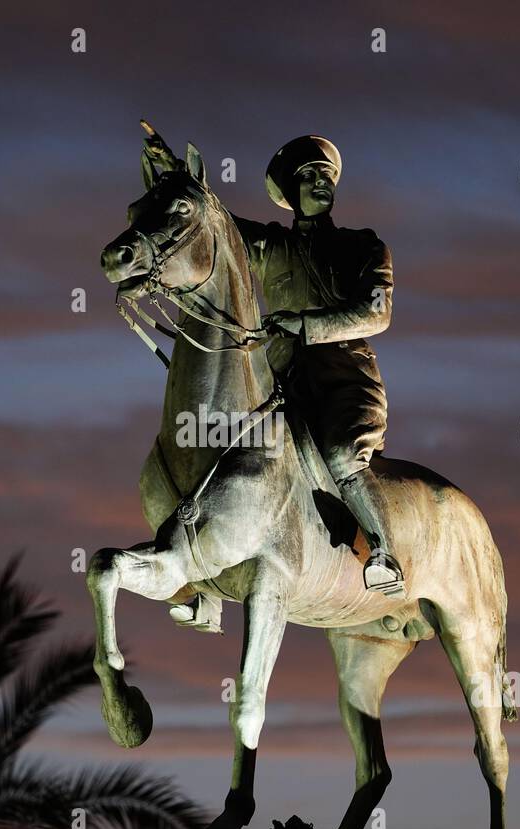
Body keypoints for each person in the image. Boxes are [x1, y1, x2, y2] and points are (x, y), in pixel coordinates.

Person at [144, 128, 405, 634]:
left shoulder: (363, 247)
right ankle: (204, 588)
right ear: (291, 191)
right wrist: (177, 173)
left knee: (341, 457)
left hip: (344, 383)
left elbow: (377, 313)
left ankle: (385, 554)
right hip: (282, 387)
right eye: (309, 176)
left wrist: (306, 325)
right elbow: (211, 221)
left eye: (327, 175)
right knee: (220, 455)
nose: (320, 182)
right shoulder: (269, 245)